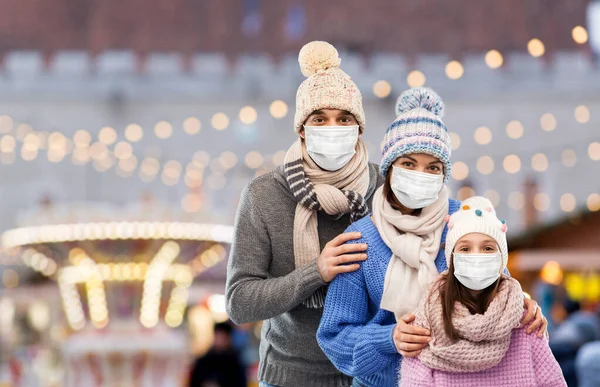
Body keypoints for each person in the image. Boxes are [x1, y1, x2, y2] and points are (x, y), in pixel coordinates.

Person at [317, 88, 547, 387]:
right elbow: (335, 335)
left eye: (433, 167)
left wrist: (524, 307)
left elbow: (501, 294)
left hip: (464, 379)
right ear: (389, 169)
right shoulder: (360, 240)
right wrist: (388, 338)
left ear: (443, 174)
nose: (420, 174)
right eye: (409, 164)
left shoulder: (466, 220)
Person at [225, 40, 384, 387]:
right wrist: (316, 272)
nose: (333, 128)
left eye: (344, 119)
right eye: (320, 119)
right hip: (291, 376)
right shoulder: (264, 195)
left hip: (378, 372)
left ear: (359, 128)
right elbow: (238, 301)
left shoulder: (385, 188)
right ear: (301, 128)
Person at [399, 197, 565, 387]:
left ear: (501, 260)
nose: (476, 255)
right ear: (452, 259)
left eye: (487, 248)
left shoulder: (526, 321)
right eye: (465, 248)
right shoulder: (425, 323)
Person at [189, 322, 247, 387]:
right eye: (218, 336)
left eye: (223, 337)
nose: (220, 340)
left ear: (228, 338)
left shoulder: (235, 362)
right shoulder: (203, 361)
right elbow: (194, 381)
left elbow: (240, 382)